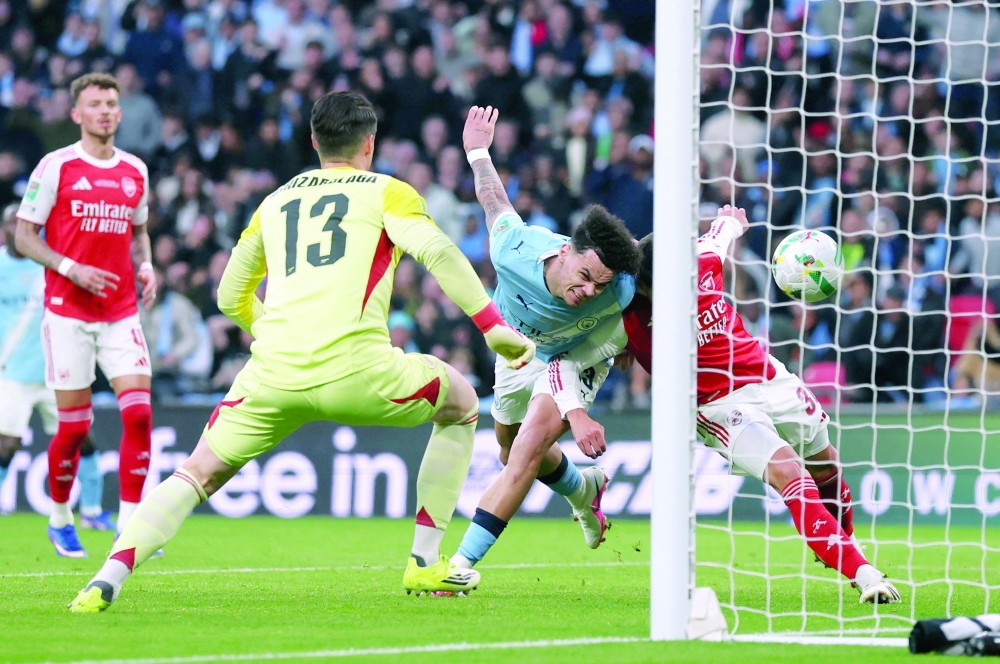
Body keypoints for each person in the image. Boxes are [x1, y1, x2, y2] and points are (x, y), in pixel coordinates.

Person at [68, 91, 535, 612]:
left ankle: (104, 579)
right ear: (370, 144)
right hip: (361, 373)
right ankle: (425, 563)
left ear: (314, 142)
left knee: (196, 473)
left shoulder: (276, 201)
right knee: (463, 403)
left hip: (273, 374)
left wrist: (271, 330)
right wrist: (493, 327)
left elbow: (228, 296)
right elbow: (439, 252)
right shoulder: (388, 192)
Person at [556, 213, 901, 604]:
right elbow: (567, 360)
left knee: (827, 466)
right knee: (790, 473)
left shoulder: (702, 259)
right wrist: (575, 411)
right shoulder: (623, 316)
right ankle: (864, 572)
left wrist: (731, 219)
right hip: (718, 408)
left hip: (767, 376)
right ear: (648, 286)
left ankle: (845, 544)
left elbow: (723, 231)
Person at [449, 106, 641, 571]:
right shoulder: (514, 249)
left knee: (526, 452)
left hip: (579, 355)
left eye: (600, 285)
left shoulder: (618, 287)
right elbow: (493, 201)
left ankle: (459, 565)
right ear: (567, 250)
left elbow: (648, 286)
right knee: (506, 445)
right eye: (585, 276)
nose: (589, 291)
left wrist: (632, 342)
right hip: (519, 349)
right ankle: (584, 488)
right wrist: (477, 150)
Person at [14, 73, 157, 558]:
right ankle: (59, 518)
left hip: (120, 312)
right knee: (73, 428)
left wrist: (147, 266)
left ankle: (131, 528)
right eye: (94, 104)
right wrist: (71, 267)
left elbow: (139, 233)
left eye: (111, 103)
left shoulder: (135, 169)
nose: (105, 111)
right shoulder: (55, 167)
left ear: (120, 111)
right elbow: (24, 236)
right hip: (68, 313)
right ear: (77, 114)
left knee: (138, 414)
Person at [0, 203, 113, 528]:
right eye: (14, 224)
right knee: (7, 444)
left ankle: (91, 512)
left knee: (83, 438)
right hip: (13, 374)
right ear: (7, 229)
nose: (21, 230)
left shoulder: (52, 263)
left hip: (57, 370)